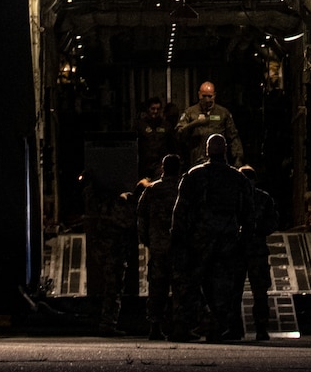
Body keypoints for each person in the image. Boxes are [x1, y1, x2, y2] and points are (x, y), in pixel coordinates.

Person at [171, 132, 248, 341]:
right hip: (227, 239)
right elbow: (247, 210)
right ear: (225, 151)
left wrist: (178, 237)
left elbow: (180, 210)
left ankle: (188, 326)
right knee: (223, 284)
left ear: (206, 151)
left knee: (193, 282)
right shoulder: (237, 177)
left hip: (199, 238)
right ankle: (220, 327)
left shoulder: (194, 175)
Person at [137, 153, 184, 340]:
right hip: (179, 247)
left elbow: (141, 217)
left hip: (158, 247)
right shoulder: (184, 189)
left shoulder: (152, 190)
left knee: (157, 288)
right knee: (180, 288)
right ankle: (181, 327)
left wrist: (146, 240)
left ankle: (155, 326)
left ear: (162, 168)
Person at [85, 177, 140, 335]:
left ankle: (106, 321)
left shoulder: (102, 203)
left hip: (103, 250)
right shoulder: (120, 205)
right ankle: (108, 323)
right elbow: (128, 223)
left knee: (109, 287)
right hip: (113, 252)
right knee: (113, 288)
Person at [238, 164, 276, 341]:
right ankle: (256, 328)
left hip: (247, 250)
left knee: (256, 292)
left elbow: (272, 223)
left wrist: (257, 230)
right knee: (253, 292)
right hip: (247, 250)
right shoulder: (239, 198)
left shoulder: (258, 199)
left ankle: (256, 327)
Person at [174, 82, 244, 166]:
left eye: (209, 96)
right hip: (196, 160)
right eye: (204, 96)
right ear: (199, 95)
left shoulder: (223, 113)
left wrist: (238, 158)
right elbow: (179, 133)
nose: (207, 100)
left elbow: (233, 137)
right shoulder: (190, 112)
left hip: (219, 161)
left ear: (214, 95)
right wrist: (195, 123)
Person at [137, 97, 176, 182]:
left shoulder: (166, 126)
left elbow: (172, 146)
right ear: (148, 109)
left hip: (160, 166)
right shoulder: (140, 125)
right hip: (144, 166)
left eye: (158, 109)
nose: (155, 111)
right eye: (153, 109)